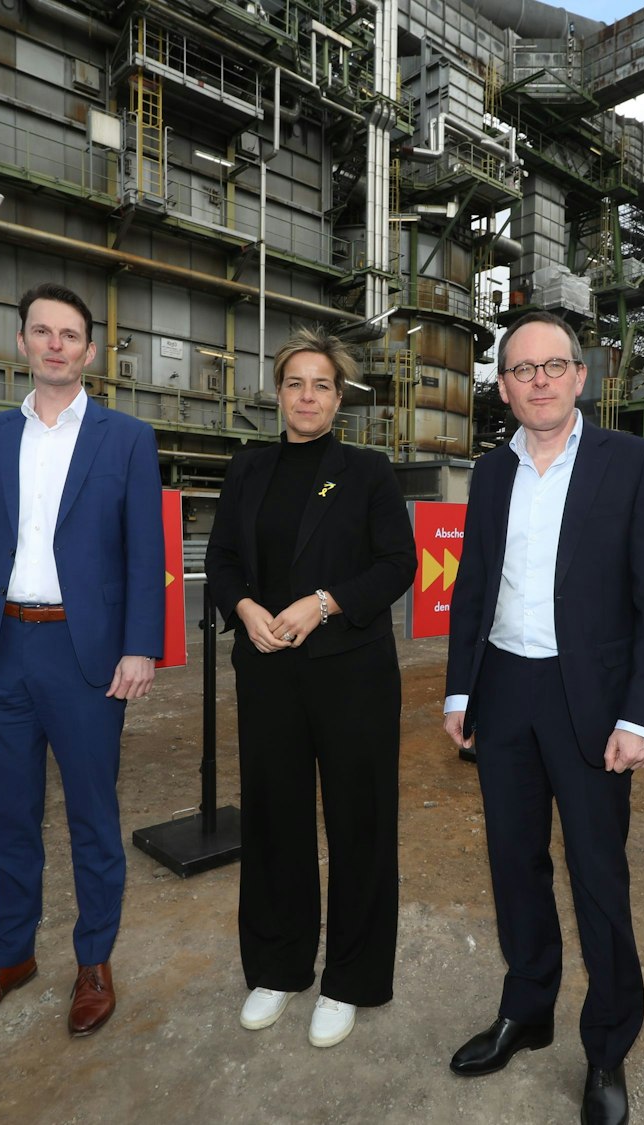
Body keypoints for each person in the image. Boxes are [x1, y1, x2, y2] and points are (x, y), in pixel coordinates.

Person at [441, 311, 644, 1125]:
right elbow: (471, 588)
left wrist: (643, 714)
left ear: (582, 376)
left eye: (553, 365)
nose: (537, 380)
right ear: (504, 386)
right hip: (504, 691)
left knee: (598, 878)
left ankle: (607, 1047)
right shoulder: (491, 471)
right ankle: (528, 1007)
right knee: (513, 866)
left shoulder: (636, 464)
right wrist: (458, 692)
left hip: (592, 703)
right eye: (521, 369)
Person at [0, 282, 165, 1042]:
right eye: (42, 331)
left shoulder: (126, 438)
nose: (56, 343)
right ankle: (8, 957)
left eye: (70, 334)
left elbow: (143, 553)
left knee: (94, 815)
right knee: (7, 816)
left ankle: (94, 960)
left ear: (90, 353)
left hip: (83, 654)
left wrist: (140, 645)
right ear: (22, 343)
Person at [205, 327, 417, 1049]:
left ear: (338, 397)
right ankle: (278, 965)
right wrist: (243, 607)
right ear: (278, 391)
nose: (306, 395)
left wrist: (323, 602)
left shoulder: (368, 471)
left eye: (321, 384)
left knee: (359, 822)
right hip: (268, 672)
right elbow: (224, 558)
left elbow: (398, 564)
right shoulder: (247, 469)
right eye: (295, 382)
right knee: (274, 820)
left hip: (352, 672)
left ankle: (351, 978)